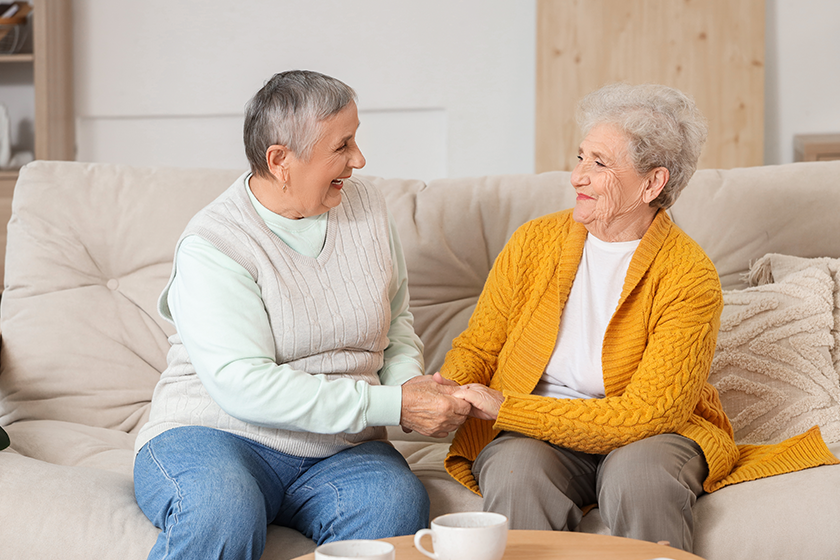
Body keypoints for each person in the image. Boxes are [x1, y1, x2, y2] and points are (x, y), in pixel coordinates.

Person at [438, 83, 838, 553]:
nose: (577, 177)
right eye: (581, 157)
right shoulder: (533, 242)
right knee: (516, 472)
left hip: (651, 435)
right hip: (536, 432)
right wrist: (447, 391)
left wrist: (505, 407)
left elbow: (648, 414)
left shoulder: (689, 275)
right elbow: (480, 345)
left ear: (652, 184)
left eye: (599, 164)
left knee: (640, 477)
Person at [133, 70, 470, 560]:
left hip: (341, 448)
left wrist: (409, 387)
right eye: (342, 146)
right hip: (216, 434)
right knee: (221, 509)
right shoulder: (214, 243)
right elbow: (243, 385)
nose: (359, 159)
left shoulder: (368, 207)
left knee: (392, 506)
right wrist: (394, 404)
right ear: (280, 161)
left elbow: (395, 323)